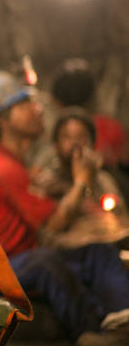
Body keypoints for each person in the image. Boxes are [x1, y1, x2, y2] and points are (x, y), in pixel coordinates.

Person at [0, 69, 129, 346]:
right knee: (46, 261)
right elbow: (55, 223)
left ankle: (123, 320)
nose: (37, 109)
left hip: (17, 261)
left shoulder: (15, 163)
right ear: (3, 121)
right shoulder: (2, 166)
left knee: (97, 253)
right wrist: (80, 182)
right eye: (24, 105)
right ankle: (93, 332)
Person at [33, 107, 129, 249]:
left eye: (81, 137)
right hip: (67, 251)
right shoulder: (46, 182)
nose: (75, 143)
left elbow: (120, 220)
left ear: (92, 143)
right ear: (55, 145)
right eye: (67, 137)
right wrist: (81, 181)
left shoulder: (103, 180)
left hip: (106, 246)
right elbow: (49, 231)